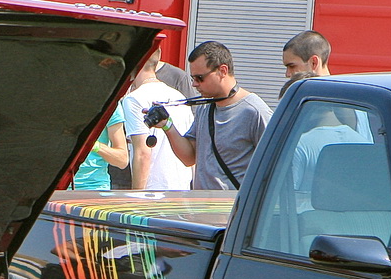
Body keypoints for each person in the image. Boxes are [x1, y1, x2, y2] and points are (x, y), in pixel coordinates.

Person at [156, 40, 272, 190]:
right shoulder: (206, 107)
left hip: (233, 209)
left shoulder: (254, 111)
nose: (194, 84)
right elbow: (189, 157)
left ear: (222, 71)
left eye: (200, 78)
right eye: (193, 79)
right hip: (202, 208)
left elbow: (275, 165)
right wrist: (167, 125)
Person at [123, 48, 193, 191]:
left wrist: (136, 199)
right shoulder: (179, 97)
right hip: (182, 190)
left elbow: (143, 153)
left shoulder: (134, 99)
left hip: (152, 193)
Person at [72, 104, 130, 190]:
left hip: (95, 187)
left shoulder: (111, 105)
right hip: (55, 188)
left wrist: (94, 145)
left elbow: (122, 160)